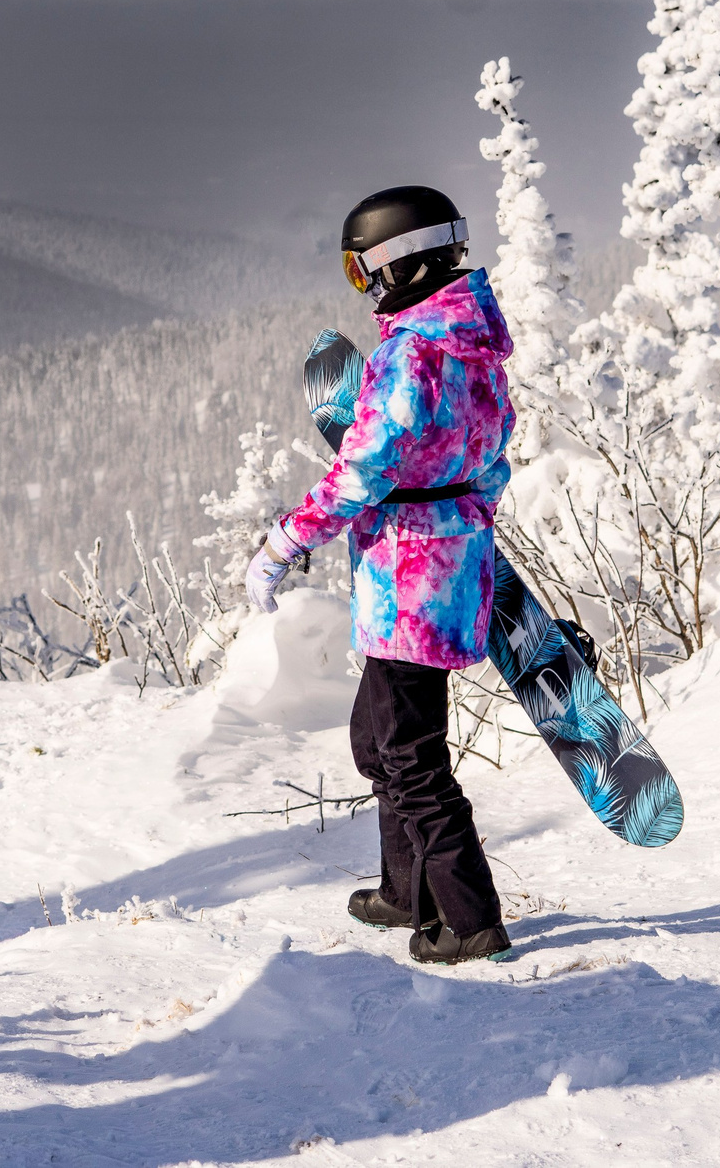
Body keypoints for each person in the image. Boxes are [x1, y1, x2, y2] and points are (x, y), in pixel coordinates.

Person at [247, 184, 515, 964]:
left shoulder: (410, 356)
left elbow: (358, 475)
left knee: (411, 758)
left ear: (401, 262)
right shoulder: (472, 346)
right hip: (447, 567)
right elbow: (492, 457)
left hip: (409, 582)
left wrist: (283, 543)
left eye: (362, 270)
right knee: (376, 738)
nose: (362, 287)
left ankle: (470, 919)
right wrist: (460, 520)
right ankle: (406, 889)